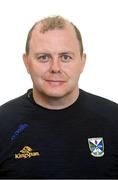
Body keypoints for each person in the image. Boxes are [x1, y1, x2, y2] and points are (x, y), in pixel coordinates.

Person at [0, 15, 118, 179]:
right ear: (26, 62)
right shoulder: (3, 123)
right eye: (44, 57)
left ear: (82, 61)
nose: (55, 68)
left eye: (65, 57)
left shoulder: (114, 119)